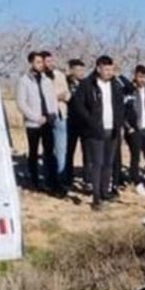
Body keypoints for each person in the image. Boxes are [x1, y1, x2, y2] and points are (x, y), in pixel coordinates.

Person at [69, 55, 121, 210]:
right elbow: (79, 106)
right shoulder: (87, 84)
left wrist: (119, 122)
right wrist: (91, 122)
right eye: (106, 69)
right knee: (97, 163)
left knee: (108, 163)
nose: (109, 72)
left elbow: (120, 105)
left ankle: (105, 192)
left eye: (111, 69)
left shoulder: (115, 85)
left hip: (112, 129)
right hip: (94, 131)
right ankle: (96, 197)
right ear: (98, 68)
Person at [14, 51, 60, 193]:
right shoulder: (24, 80)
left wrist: (53, 114)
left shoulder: (46, 79)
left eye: (42, 62)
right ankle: (34, 181)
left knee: (50, 152)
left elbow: (52, 98)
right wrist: (35, 117)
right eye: (38, 62)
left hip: (48, 120)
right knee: (33, 152)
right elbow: (21, 103)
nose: (41, 65)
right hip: (33, 123)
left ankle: (52, 181)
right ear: (31, 63)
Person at [41, 51, 70, 195]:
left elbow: (67, 93)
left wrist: (64, 96)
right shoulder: (39, 78)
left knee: (61, 149)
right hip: (46, 117)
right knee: (48, 150)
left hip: (61, 115)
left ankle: (61, 179)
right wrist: (56, 97)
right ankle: (49, 179)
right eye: (47, 61)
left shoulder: (59, 75)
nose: (50, 64)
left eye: (52, 61)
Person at [123, 65, 145, 195]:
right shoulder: (128, 91)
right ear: (135, 76)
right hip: (134, 130)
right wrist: (128, 127)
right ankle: (136, 182)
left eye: (144, 77)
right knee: (135, 157)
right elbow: (123, 111)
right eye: (140, 76)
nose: (142, 79)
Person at [60, 59, 87, 191]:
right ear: (71, 70)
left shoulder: (86, 83)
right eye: (78, 70)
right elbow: (62, 96)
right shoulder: (65, 82)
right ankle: (67, 177)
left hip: (84, 122)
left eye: (83, 70)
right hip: (69, 121)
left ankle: (87, 178)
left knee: (86, 151)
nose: (81, 73)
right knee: (69, 151)